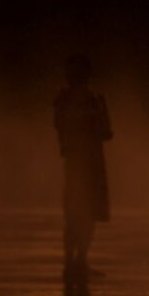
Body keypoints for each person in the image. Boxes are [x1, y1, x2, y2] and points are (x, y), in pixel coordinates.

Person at [53, 54, 112, 276]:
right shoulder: (65, 99)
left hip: (92, 161)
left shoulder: (95, 99)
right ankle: (72, 262)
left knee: (90, 213)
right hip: (77, 161)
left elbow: (107, 132)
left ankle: (80, 260)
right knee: (74, 211)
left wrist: (96, 124)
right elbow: (60, 126)